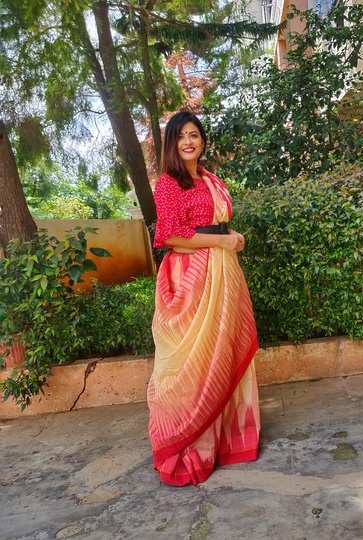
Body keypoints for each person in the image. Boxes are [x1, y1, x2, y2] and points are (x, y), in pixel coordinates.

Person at [147, 110, 261, 486]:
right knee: (193, 364)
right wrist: (223, 241)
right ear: (172, 144)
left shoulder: (209, 178)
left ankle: (226, 439)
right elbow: (171, 237)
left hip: (223, 275)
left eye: (194, 134)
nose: (188, 142)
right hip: (192, 279)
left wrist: (232, 236)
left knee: (222, 354)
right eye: (181, 137)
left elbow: (214, 224)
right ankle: (189, 443)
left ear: (203, 139)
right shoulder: (168, 183)